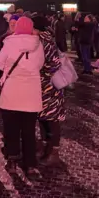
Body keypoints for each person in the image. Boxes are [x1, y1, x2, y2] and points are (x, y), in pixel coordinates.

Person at [0, 16, 45, 179]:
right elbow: (40, 65)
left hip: (11, 93)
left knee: (11, 130)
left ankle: (12, 160)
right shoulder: (38, 44)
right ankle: (30, 164)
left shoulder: (9, 43)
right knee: (29, 131)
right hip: (31, 94)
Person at [32, 16, 64, 166]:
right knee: (43, 117)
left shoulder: (43, 41)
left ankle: (54, 152)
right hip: (43, 85)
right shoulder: (42, 39)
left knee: (51, 119)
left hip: (49, 86)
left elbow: (53, 64)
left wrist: (41, 73)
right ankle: (46, 147)